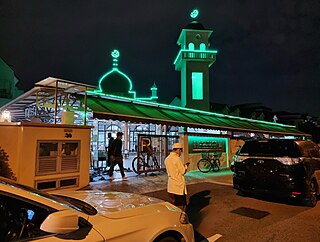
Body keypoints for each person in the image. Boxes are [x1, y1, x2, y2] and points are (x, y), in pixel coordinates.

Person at [164, 142, 190, 212]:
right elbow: (183, 171)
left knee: (174, 204)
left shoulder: (167, 159)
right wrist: (186, 166)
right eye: (181, 150)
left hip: (171, 185)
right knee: (182, 205)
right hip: (178, 185)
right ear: (178, 150)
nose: (181, 152)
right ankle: (181, 219)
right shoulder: (177, 159)